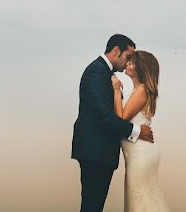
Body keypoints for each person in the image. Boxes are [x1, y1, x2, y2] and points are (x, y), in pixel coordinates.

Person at [72, 34, 154, 212]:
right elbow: (104, 116)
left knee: (93, 206)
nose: (128, 63)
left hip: (100, 152)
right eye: (127, 57)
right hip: (95, 151)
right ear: (116, 51)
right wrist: (138, 131)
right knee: (92, 206)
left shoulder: (105, 74)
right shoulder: (96, 72)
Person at [112, 50, 171, 211]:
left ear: (140, 68)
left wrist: (117, 91)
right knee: (143, 199)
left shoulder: (142, 90)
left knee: (139, 201)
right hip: (139, 153)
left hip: (140, 154)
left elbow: (121, 119)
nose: (128, 63)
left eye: (132, 62)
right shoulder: (137, 90)